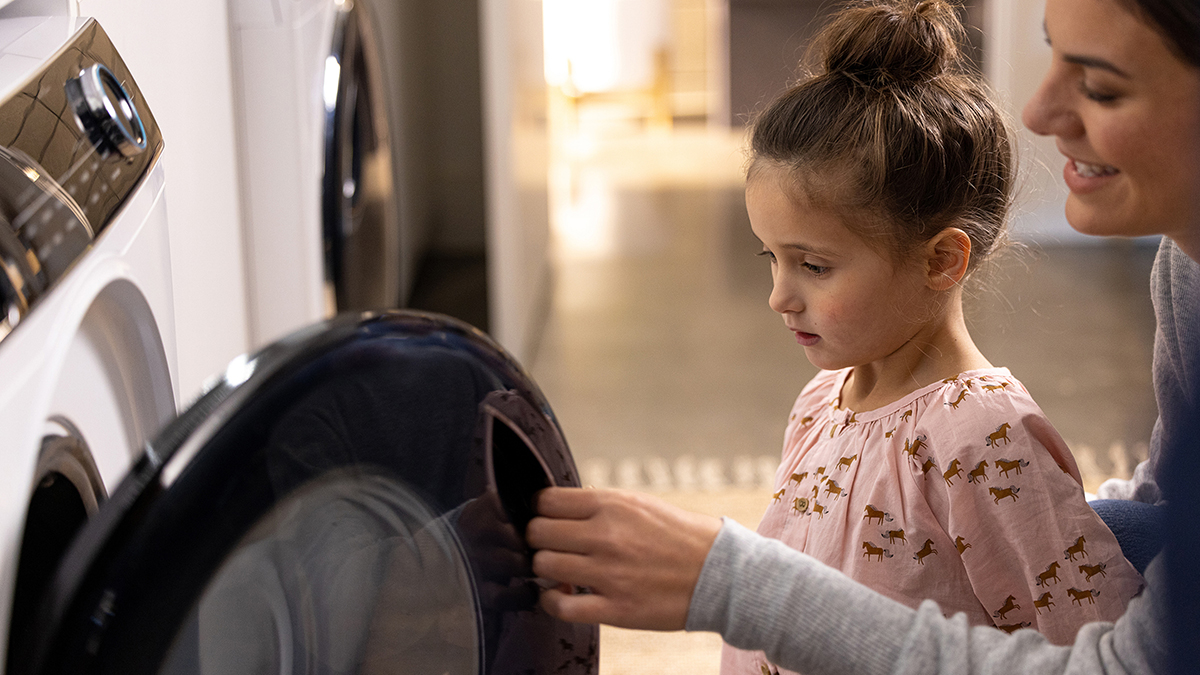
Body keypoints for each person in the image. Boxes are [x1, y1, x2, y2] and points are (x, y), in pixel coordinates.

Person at [525, 0, 1200, 669]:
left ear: (942, 260)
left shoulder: (986, 437)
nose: (779, 296)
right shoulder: (824, 399)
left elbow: (1095, 636)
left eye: (815, 266)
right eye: (773, 258)